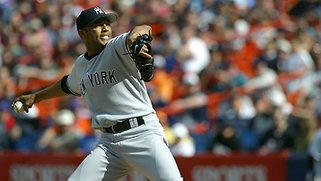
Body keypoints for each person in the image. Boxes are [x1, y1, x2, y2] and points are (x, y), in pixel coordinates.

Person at [12, 6, 182, 181]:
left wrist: (133, 38)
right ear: (82, 32)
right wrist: (35, 97)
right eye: (98, 24)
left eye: (107, 23)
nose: (105, 28)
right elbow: (66, 85)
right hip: (110, 144)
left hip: (143, 134)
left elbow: (143, 28)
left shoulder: (117, 46)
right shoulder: (81, 65)